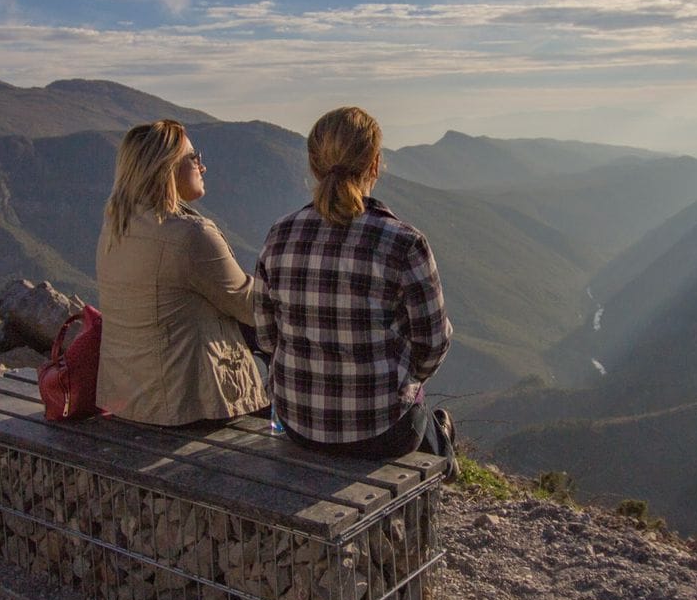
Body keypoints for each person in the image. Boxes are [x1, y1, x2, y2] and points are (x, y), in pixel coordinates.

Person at [252, 106, 455, 460]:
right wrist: (402, 379)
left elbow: (268, 337)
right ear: (375, 164)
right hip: (381, 431)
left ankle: (441, 446)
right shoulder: (404, 242)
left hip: (298, 424)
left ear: (314, 166)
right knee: (418, 411)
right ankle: (445, 455)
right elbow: (433, 344)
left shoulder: (279, 235)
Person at [95, 120, 266, 426]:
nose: (202, 166)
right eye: (192, 157)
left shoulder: (116, 226)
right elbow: (253, 306)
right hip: (185, 405)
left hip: (128, 397)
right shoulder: (190, 235)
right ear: (167, 168)